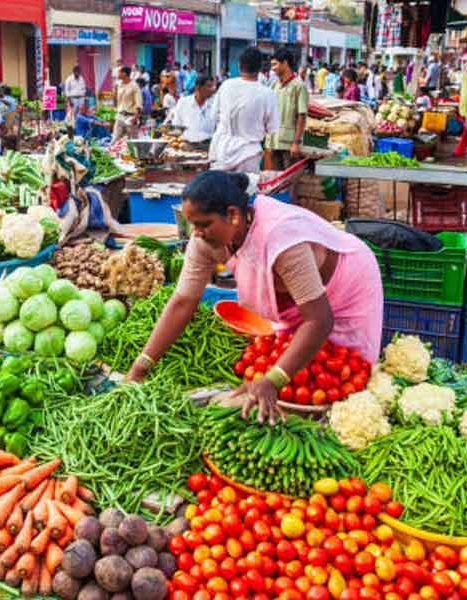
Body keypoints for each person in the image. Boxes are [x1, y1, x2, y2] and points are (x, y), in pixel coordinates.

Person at [125, 170, 384, 423]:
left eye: (203, 224)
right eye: (193, 224)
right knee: (300, 373)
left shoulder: (280, 237)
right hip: (297, 301)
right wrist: (141, 367)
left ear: (233, 215)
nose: (196, 233)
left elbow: (319, 320)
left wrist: (273, 380)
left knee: (344, 376)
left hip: (346, 286)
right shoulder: (206, 241)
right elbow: (182, 302)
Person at [209, 48, 279, 173]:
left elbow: (213, 116)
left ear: (239, 65)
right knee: (245, 191)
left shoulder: (226, 86)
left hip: (222, 152)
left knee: (219, 191)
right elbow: (272, 129)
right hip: (248, 155)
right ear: (260, 68)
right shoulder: (268, 94)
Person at [266, 50, 308, 171]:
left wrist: (296, 142)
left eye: (275, 64)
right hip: (274, 140)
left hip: (289, 143)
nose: (273, 68)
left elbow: (301, 116)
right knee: (276, 177)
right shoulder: (274, 85)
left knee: (289, 178)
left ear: (285, 63)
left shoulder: (299, 86)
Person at [171, 75, 216, 144]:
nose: (212, 89)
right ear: (198, 88)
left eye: (213, 86)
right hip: (187, 146)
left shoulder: (214, 104)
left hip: (208, 145)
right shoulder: (183, 103)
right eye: (209, 86)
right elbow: (176, 126)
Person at [111, 66, 142, 142]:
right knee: (115, 139)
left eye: (119, 72)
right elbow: (117, 101)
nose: (117, 74)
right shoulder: (119, 85)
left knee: (133, 141)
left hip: (130, 117)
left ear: (124, 74)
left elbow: (139, 103)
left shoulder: (134, 86)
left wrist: (136, 117)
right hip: (120, 116)